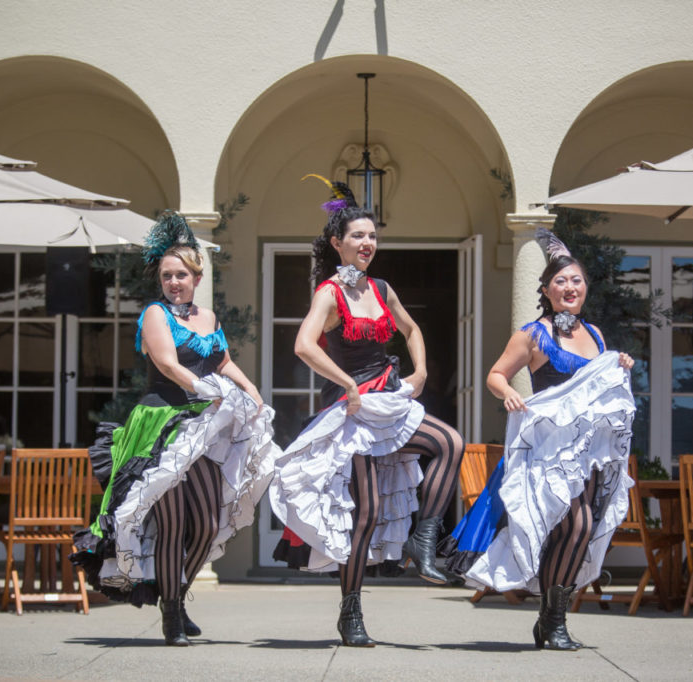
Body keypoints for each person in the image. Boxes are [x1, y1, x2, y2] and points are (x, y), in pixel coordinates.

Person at [269, 179, 465, 647]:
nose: (368, 243)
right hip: (355, 410)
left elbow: (412, 328)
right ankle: (350, 611)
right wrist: (347, 382)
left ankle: (425, 540)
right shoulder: (330, 293)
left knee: (450, 444)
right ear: (338, 244)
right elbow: (302, 345)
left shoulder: (380, 287)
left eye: (372, 236)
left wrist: (418, 373)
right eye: (358, 236)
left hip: (391, 399)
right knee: (368, 512)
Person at [71, 212, 278, 646]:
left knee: (203, 524)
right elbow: (167, 363)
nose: (173, 282)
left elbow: (221, 359)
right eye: (167, 276)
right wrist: (206, 391)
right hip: (162, 425)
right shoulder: (154, 314)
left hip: (203, 428)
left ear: (196, 276)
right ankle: (169, 618)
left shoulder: (208, 316)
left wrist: (248, 387)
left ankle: (177, 598)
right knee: (171, 521)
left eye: (181, 274)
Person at [441, 227, 635, 651]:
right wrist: (509, 391)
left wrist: (617, 361)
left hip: (584, 453)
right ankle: (552, 619)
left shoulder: (596, 335)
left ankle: (553, 620)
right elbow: (495, 374)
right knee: (576, 523)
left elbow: (596, 387)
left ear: (585, 288)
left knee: (580, 530)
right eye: (561, 281)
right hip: (547, 452)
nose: (570, 287)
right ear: (546, 289)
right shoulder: (533, 334)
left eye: (577, 280)